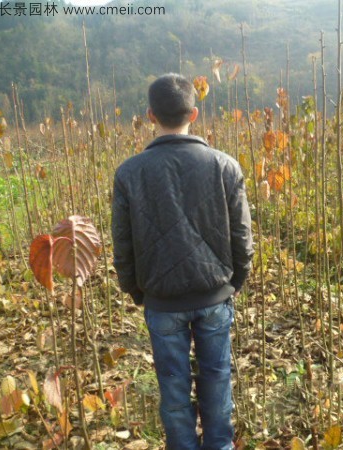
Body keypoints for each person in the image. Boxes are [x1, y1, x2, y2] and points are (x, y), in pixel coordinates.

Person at [111, 73, 254, 450]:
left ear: (149, 115)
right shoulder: (226, 166)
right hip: (214, 299)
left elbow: (122, 246)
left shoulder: (129, 173)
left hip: (161, 302)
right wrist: (232, 283)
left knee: (173, 390)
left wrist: (137, 291)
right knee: (217, 380)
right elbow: (243, 239)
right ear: (194, 112)